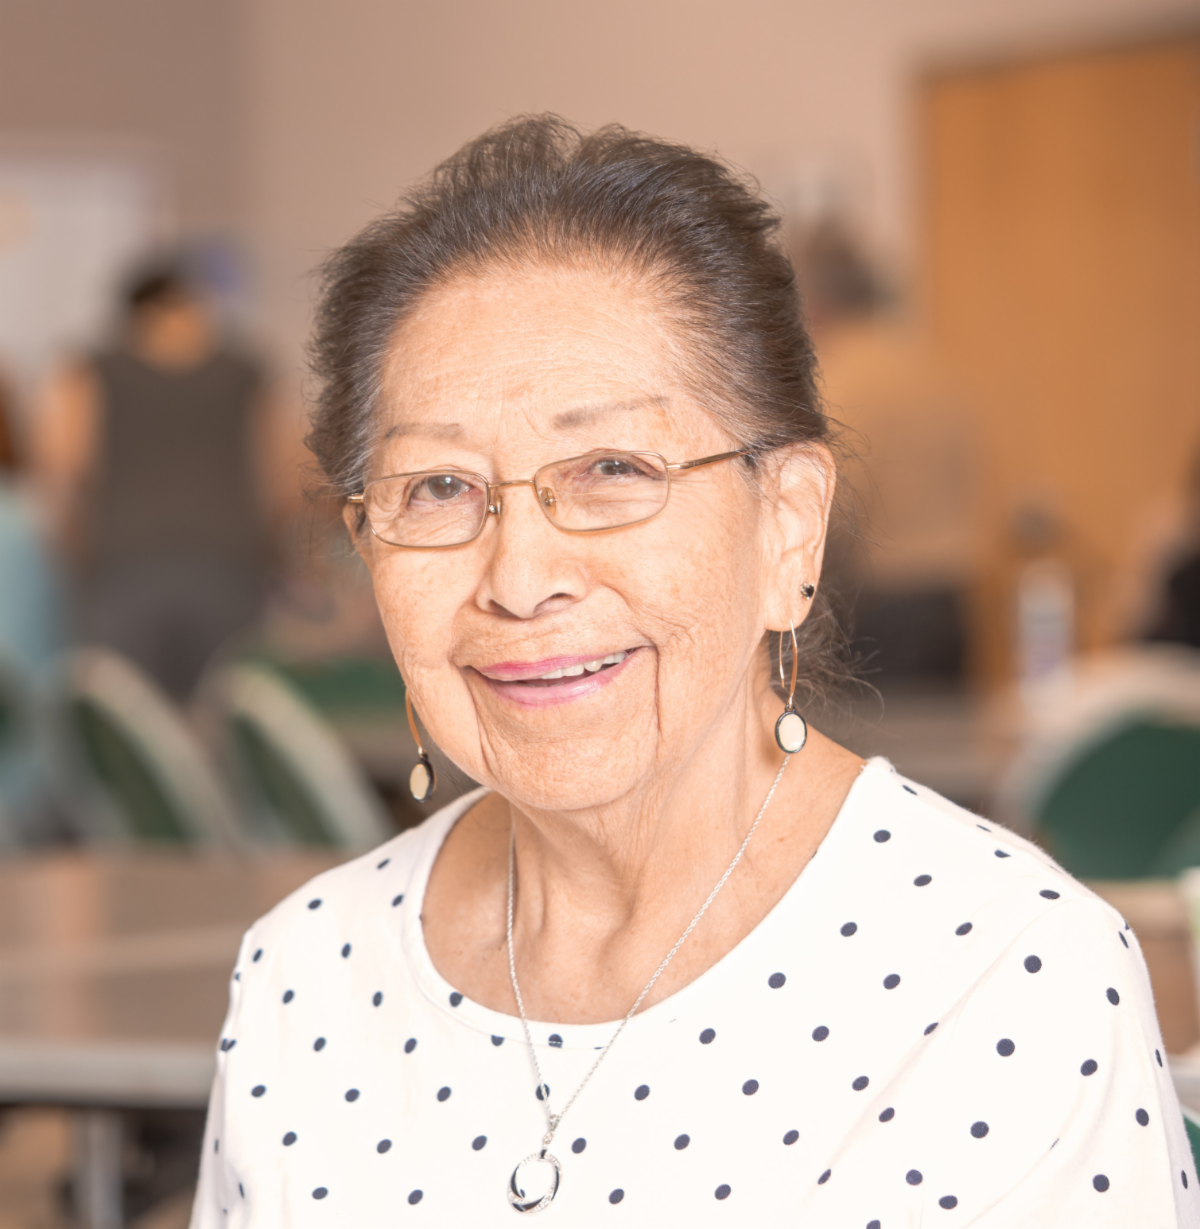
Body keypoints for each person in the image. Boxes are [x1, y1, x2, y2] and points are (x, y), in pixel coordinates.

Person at [191, 118, 1195, 1228]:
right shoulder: (298, 979)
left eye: (613, 467)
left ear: (789, 526)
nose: (520, 578)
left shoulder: (1008, 980)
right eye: (436, 488)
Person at [34, 265, 285, 698]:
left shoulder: (93, 370)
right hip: (228, 567)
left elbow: (64, 464)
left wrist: (73, 543)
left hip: (125, 566)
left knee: (128, 723)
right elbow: (279, 475)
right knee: (222, 716)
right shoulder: (244, 372)